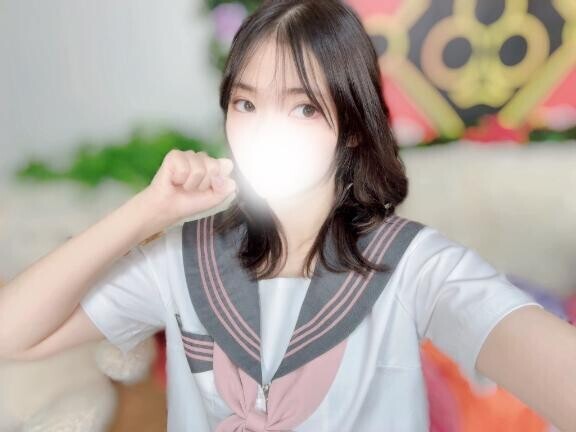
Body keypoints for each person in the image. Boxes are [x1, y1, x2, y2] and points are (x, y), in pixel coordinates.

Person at [1, 1, 575, 431]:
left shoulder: (413, 265)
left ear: (352, 127)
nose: (264, 132)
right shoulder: (182, 259)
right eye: (246, 103)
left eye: (302, 108)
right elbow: (10, 335)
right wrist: (146, 210)